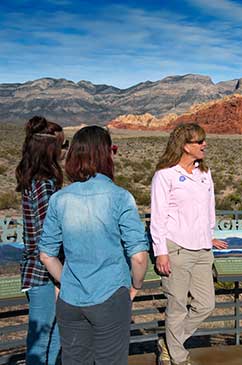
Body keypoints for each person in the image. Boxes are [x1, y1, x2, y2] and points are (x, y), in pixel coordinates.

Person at [38, 126, 149, 365]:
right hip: (111, 296)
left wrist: (66, 281)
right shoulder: (120, 197)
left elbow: (47, 254)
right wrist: (135, 286)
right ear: (105, 154)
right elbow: (139, 256)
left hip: (71, 300)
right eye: (113, 150)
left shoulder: (59, 199)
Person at [150, 123, 228, 365]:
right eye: (199, 141)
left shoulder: (205, 174)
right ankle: (179, 358)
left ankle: (169, 343)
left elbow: (208, 209)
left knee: (206, 304)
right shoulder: (165, 175)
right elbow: (158, 216)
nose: (205, 144)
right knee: (177, 307)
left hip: (203, 249)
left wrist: (209, 234)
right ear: (185, 146)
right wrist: (161, 251)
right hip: (177, 250)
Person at [15, 116, 67, 365]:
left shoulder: (32, 181)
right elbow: (49, 237)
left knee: (51, 334)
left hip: (38, 270)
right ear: (50, 150)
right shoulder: (45, 186)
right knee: (44, 338)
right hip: (45, 273)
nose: (64, 152)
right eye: (62, 146)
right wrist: (59, 277)